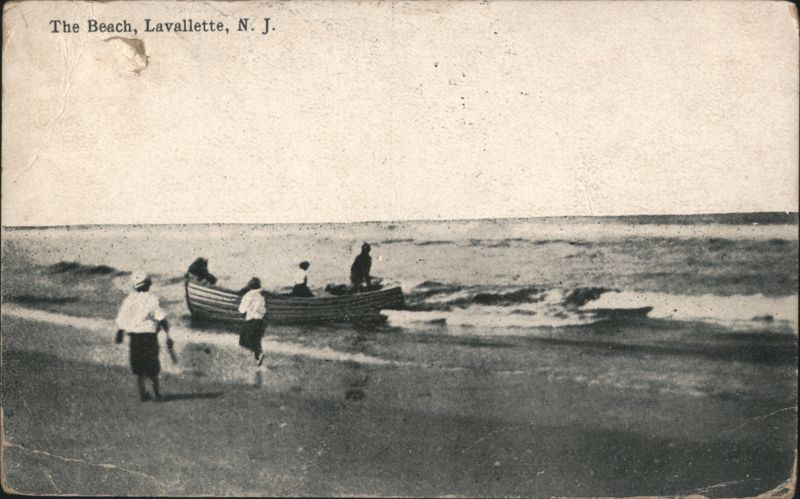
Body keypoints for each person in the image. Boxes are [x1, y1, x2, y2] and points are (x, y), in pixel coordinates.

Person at [115, 271, 174, 402]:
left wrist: (120, 332)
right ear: (148, 284)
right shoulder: (152, 299)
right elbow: (161, 318)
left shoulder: (129, 299)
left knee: (139, 368)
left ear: (135, 286)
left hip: (135, 338)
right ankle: (157, 393)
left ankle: (142, 393)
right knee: (153, 367)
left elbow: (121, 317)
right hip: (149, 338)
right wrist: (167, 333)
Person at [238, 277, 266, 366]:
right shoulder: (260, 296)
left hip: (251, 320)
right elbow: (263, 310)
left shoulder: (248, 295)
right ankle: (258, 358)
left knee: (244, 340)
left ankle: (258, 354)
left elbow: (242, 309)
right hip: (261, 321)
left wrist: (242, 312)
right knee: (257, 340)